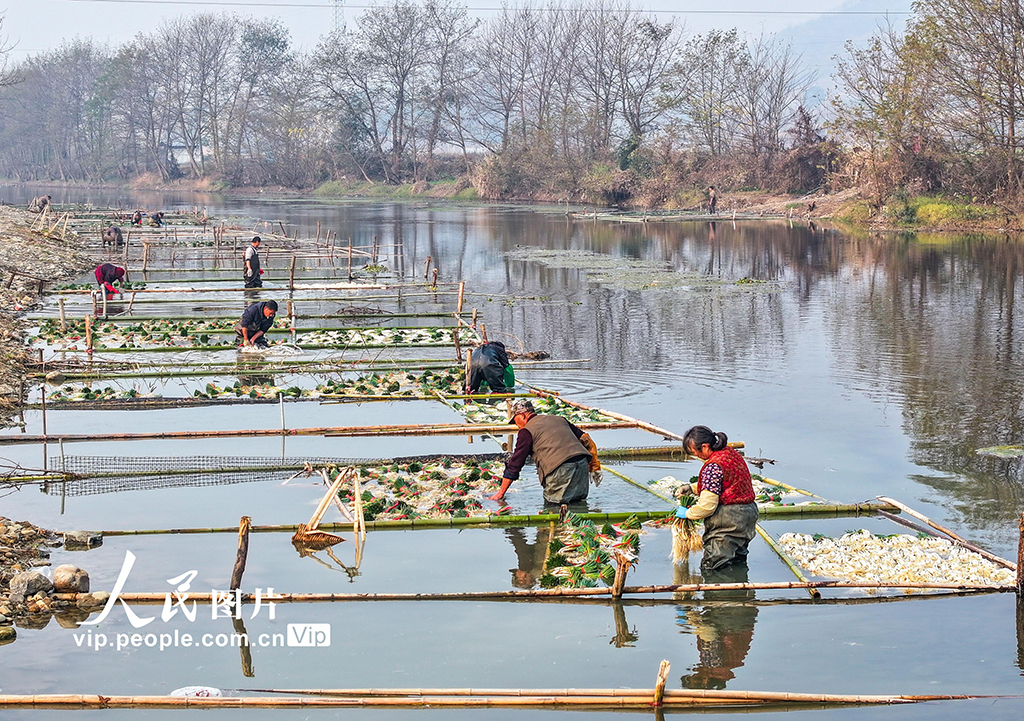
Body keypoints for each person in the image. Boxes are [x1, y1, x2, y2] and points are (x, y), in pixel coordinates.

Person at [675, 425, 757, 573]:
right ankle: (742, 594)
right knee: (737, 562)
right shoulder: (730, 454)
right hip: (747, 515)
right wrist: (692, 488)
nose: (696, 455)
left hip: (729, 520)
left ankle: (716, 595)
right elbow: (727, 481)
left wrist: (687, 513)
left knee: (714, 567)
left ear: (705, 447)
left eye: (695, 452)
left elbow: (707, 506)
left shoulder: (712, 466)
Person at [488, 399, 601, 505]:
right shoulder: (559, 419)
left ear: (522, 415)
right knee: (578, 505)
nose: (517, 425)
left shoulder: (526, 431)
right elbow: (586, 439)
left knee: (554, 509)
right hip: (582, 465)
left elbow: (515, 464)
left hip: (561, 470)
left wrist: (500, 493)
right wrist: (594, 465)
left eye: (515, 421)